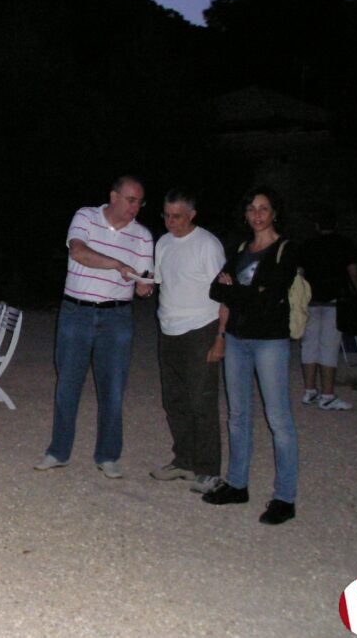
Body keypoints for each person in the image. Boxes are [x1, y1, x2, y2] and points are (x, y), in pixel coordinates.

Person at [35, 175, 154, 478]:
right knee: (67, 385)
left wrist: (144, 286)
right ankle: (58, 451)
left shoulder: (142, 236)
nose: (135, 207)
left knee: (113, 389)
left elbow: (144, 279)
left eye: (140, 202)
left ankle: (108, 455)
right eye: (130, 199)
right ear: (114, 196)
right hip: (77, 311)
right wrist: (116, 264)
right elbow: (78, 253)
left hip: (116, 317)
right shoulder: (85, 216)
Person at [205, 186, 299, 525]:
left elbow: (270, 295)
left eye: (263, 208)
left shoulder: (285, 250)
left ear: (275, 212)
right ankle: (237, 483)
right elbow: (216, 289)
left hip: (269, 342)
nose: (257, 215)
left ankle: (285, 498)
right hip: (237, 339)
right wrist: (244, 292)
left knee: (278, 419)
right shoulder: (242, 249)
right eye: (251, 209)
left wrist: (237, 291)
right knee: (238, 415)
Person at [151, 188, 226, 494]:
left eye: (177, 216)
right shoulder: (163, 243)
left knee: (201, 402)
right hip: (168, 330)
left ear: (192, 214)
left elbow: (225, 294)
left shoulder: (207, 245)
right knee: (174, 400)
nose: (171, 222)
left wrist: (220, 337)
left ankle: (208, 469)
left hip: (201, 329)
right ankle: (184, 459)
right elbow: (160, 283)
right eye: (166, 215)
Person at [299, 210, 357, 411]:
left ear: (317, 226)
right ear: (335, 225)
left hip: (311, 301)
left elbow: (299, 274)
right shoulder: (345, 244)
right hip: (334, 303)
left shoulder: (308, 245)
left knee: (309, 346)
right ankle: (327, 395)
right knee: (328, 347)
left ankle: (309, 391)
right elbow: (354, 272)